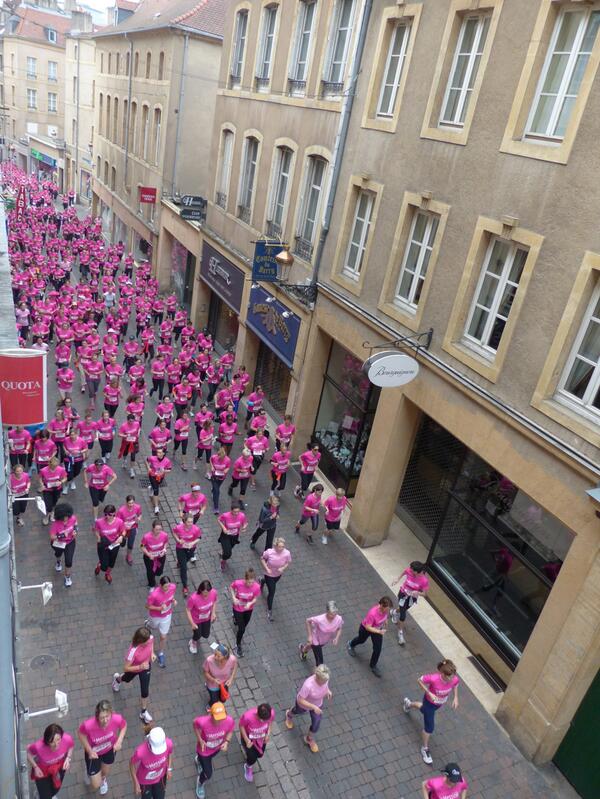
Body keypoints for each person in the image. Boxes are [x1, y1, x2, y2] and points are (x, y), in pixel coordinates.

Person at [403, 659, 460, 765]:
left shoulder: (453, 678)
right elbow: (419, 680)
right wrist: (429, 693)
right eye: (449, 677)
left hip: (439, 704)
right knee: (429, 727)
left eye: (453, 676)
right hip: (430, 703)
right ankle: (424, 748)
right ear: (443, 674)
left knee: (423, 709)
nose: (452, 679)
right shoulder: (434, 678)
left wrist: (456, 697)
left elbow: (456, 684)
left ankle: (408, 704)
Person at [77, 699, 127, 796]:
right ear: (97, 717)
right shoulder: (88, 725)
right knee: (96, 785)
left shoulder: (116, 718)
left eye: (107, 716)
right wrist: (89, 750)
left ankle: (103, 780)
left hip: (109, 750)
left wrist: (119, 741)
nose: (105, 720)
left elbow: (124, 726)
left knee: (105, 772)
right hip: (94, 754)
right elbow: (81, 734)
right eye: (102, 718)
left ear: (111, 713)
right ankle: (88, 771)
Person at [284, 665, 332, 754]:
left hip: (317, 705)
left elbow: (326, 686)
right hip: (304, 705)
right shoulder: (308, 685)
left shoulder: (325, 678)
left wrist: (328, 691)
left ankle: (308, 739)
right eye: (324, 681)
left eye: (326, 681)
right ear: (317, 677)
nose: (325, 682)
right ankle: (289, 714)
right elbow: (300, 700)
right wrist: (313, 707)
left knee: (316, 723)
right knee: (297, 711)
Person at [112, 627, 156, 723]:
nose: (149, 641)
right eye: (147, 641)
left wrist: (152, 653)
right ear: (141, 641)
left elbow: (151, 643)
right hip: (134, 668)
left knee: (145, 690)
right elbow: (126, 668)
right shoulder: (133, 651)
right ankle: (117, 680)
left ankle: (143, 712)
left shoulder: (150, 638)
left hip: (146, 667)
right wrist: (140, 667)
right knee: (126, 679)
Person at [193, 702, 234, 799]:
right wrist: (200, 739)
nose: (220, 721)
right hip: (204, 750)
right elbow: (195, 725)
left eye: (222, 718)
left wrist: (227, 742)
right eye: (217, 718)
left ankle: (198, 761)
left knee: (208, 759)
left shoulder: (229, 720)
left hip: (217, 749)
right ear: (211, 715)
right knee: (208, 774)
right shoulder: (203, 721)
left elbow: (231, 730)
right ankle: (200, 782)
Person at [347, 596, 393, 677]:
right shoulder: (372, 613)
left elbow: (385, 615)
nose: (387, 611)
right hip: (366, 628)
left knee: (377, 649)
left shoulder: (386, 610)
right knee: (361, 640)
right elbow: (368, 627)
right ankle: (351, 644)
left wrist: (386, 620)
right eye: (386, 609)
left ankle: (373, 665)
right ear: (381, 606)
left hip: (377, 629)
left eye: (388, 610)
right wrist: (379, 631)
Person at [27, 723, 74, 799]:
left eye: (58, 739)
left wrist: (68, 758)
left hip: (58, 768)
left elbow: (71, 746)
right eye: (52, 742)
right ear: (46, 741)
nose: (56, 745)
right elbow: (28, 754)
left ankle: (47, 794)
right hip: (43, 771)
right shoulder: (38, 747)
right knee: (45, 796)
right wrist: (35, 767)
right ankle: (39, 794)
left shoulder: (67, 739)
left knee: (56, 789)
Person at [391, 561, 430, 645]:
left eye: (413, 570)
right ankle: (400, 634)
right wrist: (397, 579)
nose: (410, 570)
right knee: (403, 615)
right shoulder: (409, 570)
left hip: (412, 598)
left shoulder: (424, 581)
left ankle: (394, 612)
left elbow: (425, 594)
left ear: (418, 571)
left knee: (403, 609)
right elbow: (404, 572)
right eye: (411, 569)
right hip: (403, 594)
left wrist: (417, 593)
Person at [129, 726, 173, 799]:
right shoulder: (140, 752)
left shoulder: (169, 743)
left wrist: (169, 768)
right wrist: (136, 783)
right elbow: (131, 764)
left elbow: (169, 753)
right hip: (144, 782)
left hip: (160, 778)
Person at [145, 575, 177, 669]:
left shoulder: (173, 587)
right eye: (165, 587)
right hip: (155, 616)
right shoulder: (154, 595)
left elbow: (171, 597)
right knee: (153, 627)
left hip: (167, 615)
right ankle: (148, 624)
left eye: (168, 586)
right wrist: (159, 608)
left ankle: (161, 653)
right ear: (160, 585)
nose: (167, 589)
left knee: (163, 636)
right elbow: (147, 606)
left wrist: (173, 601)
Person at [299, 601, 343, 666]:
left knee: (310, 646)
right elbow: (308, 621)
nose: (333, 616)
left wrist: (337, 638)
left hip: (324, 641)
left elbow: (339, 628)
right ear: (327, 612)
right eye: (331, 614)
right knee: (320, 662)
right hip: (316, 640)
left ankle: (303, 650)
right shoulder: (320, 619)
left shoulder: (339, 619)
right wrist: (310, 636)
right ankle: (318, 671)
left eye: (335, 614)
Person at [239, 703, 275, 783]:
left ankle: (250, 760)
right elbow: (241, 726)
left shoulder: (271, 713)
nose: (264, 722)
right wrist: (246, 740)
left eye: (266, 720)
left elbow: (270, 723)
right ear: (257, 714)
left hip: (261, 738)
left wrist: (268, 733)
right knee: (252, 758)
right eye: (262, 720)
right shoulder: (247, 716)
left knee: (260, 755)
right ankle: (248, 766)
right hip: (249, 740)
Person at [230, 568, 260, 657]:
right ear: (245, 579)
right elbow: (231, 587)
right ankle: (238, 644)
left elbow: (255, 598)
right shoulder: (238, 583)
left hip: (248, 609)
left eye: (252, 582)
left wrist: (250, 603)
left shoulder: (256, 587)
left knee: (244, 625)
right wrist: (233, 597)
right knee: (242, 629)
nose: (250, 584)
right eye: (249, 582)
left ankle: (236, 620)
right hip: (237, 608)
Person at [260, 538, 291, 621]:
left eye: (283, 546)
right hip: (269, 575)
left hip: (278, 575)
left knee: (270, 584)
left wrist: (283, 568)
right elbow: (262, 559)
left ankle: (262, 581)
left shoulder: (287, 553)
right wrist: (267, 568)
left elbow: (288, 562)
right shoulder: (269, 552)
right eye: (280, 546)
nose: (282, 548)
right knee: (272, 592)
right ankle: (269, 610)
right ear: (275, 546)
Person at [94, 504, 126, 583]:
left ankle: (107, 574)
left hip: (114, 545)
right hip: (103, 545)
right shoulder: (99, 522)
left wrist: (121, 536)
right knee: (104, 566)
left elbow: (124, 531)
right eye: (105, 514)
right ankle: (99, 565)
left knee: (112, 562)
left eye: (110, 515)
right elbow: (96, 530)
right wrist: (98, 537)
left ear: (114, 513)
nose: (107, 517)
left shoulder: (119, 522)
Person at [172, 514, 202, 596]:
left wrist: (192, 543)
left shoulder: (196, 529)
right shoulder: (179, 527)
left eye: (191, 522)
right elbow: (174, 532)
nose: (190, 524)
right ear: (184, 521)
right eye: (188, 522)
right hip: (180, 548)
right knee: (184, 568)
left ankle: (180, 562)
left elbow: (199, 538)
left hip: (191, 548)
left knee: (186, 560)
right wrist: (178, 540)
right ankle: (185, 586)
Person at [50, 503, 78, 587]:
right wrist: (61, 535)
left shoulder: (72, 518)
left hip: (70, 542)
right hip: (58, 543)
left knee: (69, 561)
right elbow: (52, 537)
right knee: (58, 554)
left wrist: (75, 531)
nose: (67, 518)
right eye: (65, 516)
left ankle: (67, 577)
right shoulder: (55, 524)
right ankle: (58, 561)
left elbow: (76, 524)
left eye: (68, 516)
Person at [186, 580, 218, 654]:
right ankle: (193, 642)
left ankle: (196, 637)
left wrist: (213, 613)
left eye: (208, 592)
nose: (207, 594)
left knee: (206, 635)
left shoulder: (213, 592)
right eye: (205, 592)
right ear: (201, 590)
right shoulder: (193, 598)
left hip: (207, 618)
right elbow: (188, 610)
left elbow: (214, 602)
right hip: (196, 620)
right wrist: (192, 623)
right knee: (198, 635)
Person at [218, 503, 248, 570]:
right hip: (225, 535)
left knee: (229, 548)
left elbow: (245, 523)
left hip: (235, 536)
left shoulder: (242, 515)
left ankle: (223, 551)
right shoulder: (225, 515)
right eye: (235, 511)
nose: (236, 513)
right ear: (231, 510)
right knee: (228, 553)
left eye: (238, 511)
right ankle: (223, 560)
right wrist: (223, 528)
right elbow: (219, 520)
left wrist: (244, 527)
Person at [39, 456, 68, 525]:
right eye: (53, 466)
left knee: (54, 502)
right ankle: (47, 516)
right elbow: (40, 478)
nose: (54, 467)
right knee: (48, 504)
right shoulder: (43, 470)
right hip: (47, 489)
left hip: (57, 489)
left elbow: (65, 478)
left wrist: (61, 482)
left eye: (56, 466)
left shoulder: (61, 469)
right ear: (49, 464)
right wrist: (42, 485)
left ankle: (52, 513)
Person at [140, 520, 169, 588]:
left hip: (160, 557)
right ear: (153, 528)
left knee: (159, 572)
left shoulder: (164, 535)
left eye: (160, 529)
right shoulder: (146, 537)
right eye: (156, 529)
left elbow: (166, 542)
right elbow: (141, 546)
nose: (158, 531)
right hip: (149, 558)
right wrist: (148, 554)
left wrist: (164, 550)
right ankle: (151, 584)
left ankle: (155, 574)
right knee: (150, 572)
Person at [117, 494, 143, 566]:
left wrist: (139, 518)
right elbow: (118, 522)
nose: (131, 505)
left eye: (132, 503)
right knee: (122, 544)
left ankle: (128, 556)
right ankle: (122, 541)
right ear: (126, 502)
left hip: (133, 527)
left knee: (130, 544)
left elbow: (140, 514)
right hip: (124, 529)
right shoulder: (121, 511)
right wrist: (124, 525)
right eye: (129, 503)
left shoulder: (137, 507)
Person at [146, 447, 172, 515]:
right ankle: (156, 507)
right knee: (156, 490)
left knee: (156, 485)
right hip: (152, 475)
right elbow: (147, 460)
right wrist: (148, 468)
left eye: (160, 452)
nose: (158, 454)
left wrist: (164, 471)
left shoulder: (167, 461)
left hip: (160, 477)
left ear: (163, 453)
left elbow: (169, 469)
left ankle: (151, 488)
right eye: (157, 452)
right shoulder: (152, 458)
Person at [118, 413, 141, 478]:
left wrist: (138, 433)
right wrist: (125, 435)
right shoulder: (123, 426)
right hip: (126, 442)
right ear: (127, 420)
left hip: (134, 442)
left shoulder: (137, 423)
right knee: (125, 453)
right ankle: (125, 460)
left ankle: (132, 470)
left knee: (133, 456)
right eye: (130, 421)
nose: (131, 422)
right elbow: (119, 434)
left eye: (133, 421)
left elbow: (139, 428)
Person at [208, 447, 231, 514]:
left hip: (222, 477)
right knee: (217, 492)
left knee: (217, 487)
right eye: (220, 457)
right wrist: (212, 466)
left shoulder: (228, 460)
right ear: (217, 455)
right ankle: (216, 507)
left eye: (222, 458)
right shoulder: (214, 457)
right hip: (214, 476)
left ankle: (213, 490)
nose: (221, 459)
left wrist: (226, 470)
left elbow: (228, 467)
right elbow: (210, 460)